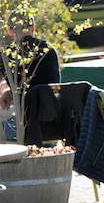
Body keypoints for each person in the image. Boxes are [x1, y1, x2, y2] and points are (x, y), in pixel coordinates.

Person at [0, 11, 61, 141]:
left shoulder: (7, 55)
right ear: (33, 28)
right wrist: (8, 90)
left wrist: (6, 89)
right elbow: (47, 85)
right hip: (52, 122)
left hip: (24, 127)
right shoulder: (49, 51)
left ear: (10, 31)